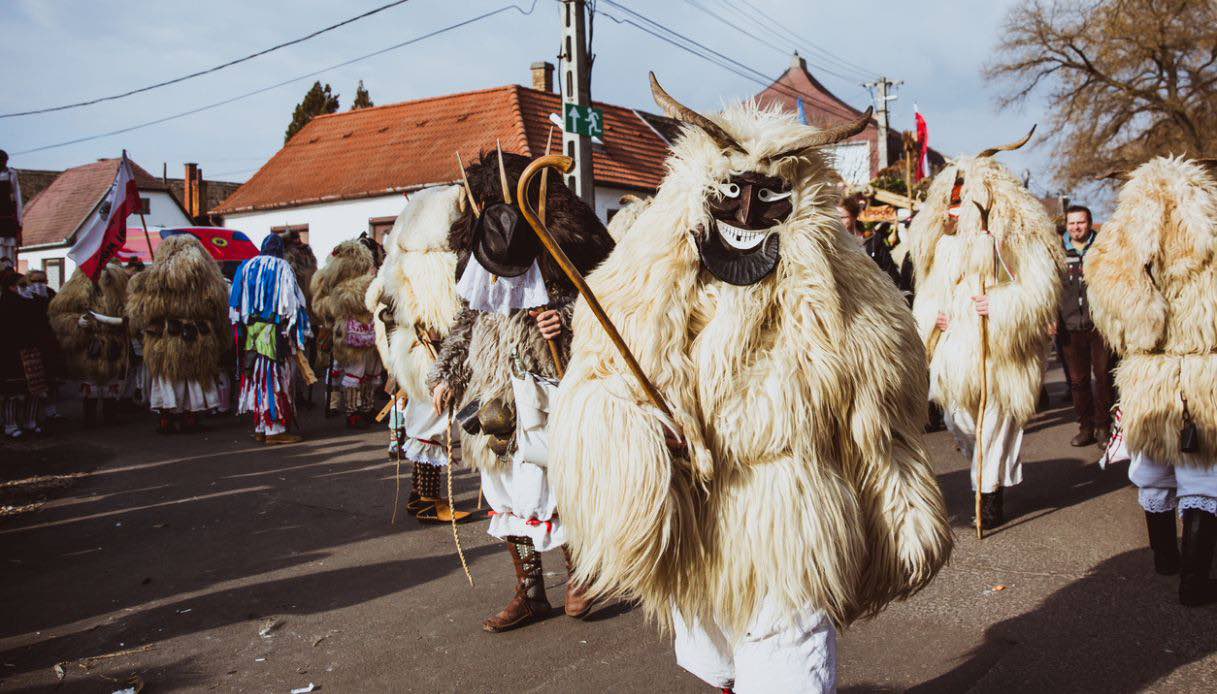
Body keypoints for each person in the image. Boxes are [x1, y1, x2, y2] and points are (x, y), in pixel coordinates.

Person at [547, 76, 951, 692]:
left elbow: (887, 391)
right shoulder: (643, 278)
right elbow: (598, 380)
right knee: (715, 660)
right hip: (693, 510)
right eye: (731, 193)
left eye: (767, 198)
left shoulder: (844, 290)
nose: (744, 215)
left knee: (790, 661)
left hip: (788, 508)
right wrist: (642, 430)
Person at [428, 147, 614, 632]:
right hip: (493, 389)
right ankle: (530, 592)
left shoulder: (559, 252)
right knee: (505, 489)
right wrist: (447, 374)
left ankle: (581, 574)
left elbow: (603, 301)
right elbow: (466, 320)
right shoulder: (480, 254)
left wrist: (567, 316)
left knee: (557, 483)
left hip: (548, 384)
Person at [907, 131, 1062, 529]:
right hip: (955, 351)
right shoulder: (942, 247)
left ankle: (989, 493)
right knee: (960, 422)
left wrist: (1001, 305)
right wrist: (932, 320)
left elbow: (1037, 290)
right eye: (953, 200)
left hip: (1000, 354)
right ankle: (984, 476)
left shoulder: (1013, 240)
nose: (957, 209)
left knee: (994, 423)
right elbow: (927, 294)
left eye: (964, 201)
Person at [1085, 156, 1217, 606]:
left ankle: (1167, 559)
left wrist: (1144, 330)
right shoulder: (1211, 230)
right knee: (1201, 473)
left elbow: (1107, 296)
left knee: (1155, 469)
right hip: (1203, 369)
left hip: (1150, 370)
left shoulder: (1120, 237)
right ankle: (1195, 582)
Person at [367, 185, 469, 522]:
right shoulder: (438, 265)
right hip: (430, 354)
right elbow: (447, 318)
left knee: (425, 420)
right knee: (433, 422)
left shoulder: (401, 261)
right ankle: (428, 499)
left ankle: (419, 495)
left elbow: (378, 302)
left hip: (412, 353)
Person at [126, 234, 230, 433]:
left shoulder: (152, 279)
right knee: (193, 377)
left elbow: (139, 312)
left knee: (169, 377)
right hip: (198, 337)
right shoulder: (209, 281)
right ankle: (189, 417)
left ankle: (168, 418)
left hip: (166, 339)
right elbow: (219, 312)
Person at [230, 235, 311, 444]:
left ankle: (261, 426)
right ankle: (275, 430)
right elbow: (292, 304)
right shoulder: (282, 268)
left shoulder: (246, 267)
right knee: (276, 379)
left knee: (259, 379)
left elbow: (236, 303)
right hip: (275, 332)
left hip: (253, 332)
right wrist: (297, 329)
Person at [1055, 204, 1116, 447]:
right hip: (1069, 327)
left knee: (1102, 377)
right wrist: (1052, 318)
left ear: (1089, 223)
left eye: (1080, 222)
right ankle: (1086, 427)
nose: (1076, 227)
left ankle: (1104, 426)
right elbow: (1050, 289)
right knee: (1078, 381)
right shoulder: (1058, 252)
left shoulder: (1104, 249)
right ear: (1066, 226)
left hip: (1099, 325)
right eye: (1072, 223)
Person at [311, 237, 382, 428]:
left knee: (371, 372)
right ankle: (353, 411)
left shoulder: (365, 280)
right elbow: (330, 304)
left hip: (371, 330)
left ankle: (367, 407)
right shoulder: (341, 287)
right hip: (352, 333)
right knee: (355, 372)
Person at [47, 264, 131, 426]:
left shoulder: (119, 289)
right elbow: (59, 315)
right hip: (91, 342)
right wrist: (76, 322)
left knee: (111, 382)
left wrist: (127, 323)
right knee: (90, 382)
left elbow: (129, 313)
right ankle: (90, 417)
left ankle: (110, 415)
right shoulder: (78, 289)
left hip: (113, 341)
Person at [0, 269, 51, 437]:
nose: (27, 288)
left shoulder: (31, 302)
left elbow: (41, 322)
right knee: (13, 393)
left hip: (32, 352)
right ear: (10, 287)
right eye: (22, 285)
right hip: (12, 354)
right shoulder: (5, 305)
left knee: (34, 391)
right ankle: (10, 424)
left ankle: (31, 421)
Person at [0, 150, 22, 271]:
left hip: (7, 215)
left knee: (8, 246)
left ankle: (7, 269)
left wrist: (19, 222)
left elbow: (17, 198)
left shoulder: (10, 174)